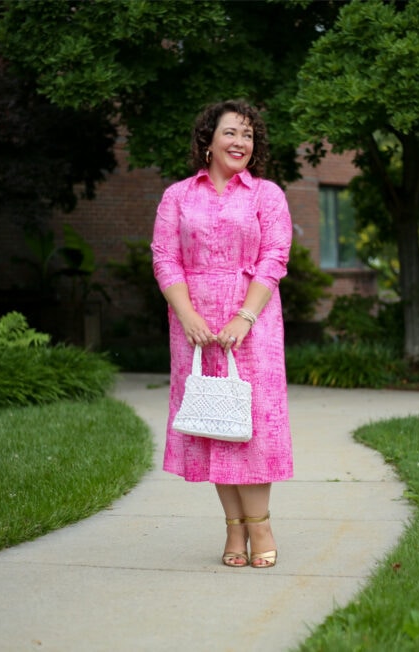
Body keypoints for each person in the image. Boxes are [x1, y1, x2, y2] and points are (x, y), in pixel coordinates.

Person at [151, 100, 293, 568]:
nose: (240, 143)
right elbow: (165, 258)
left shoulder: (266, 194)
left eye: (248, 135)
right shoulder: (177, 196)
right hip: (193, 326)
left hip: (253, 322)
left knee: (253, 427)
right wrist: (187, 315)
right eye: (231, 133)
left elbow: (275, 257)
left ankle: (261, 525)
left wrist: (244, 318)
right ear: (208, 140)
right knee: (215, 422)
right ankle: (234, 530)